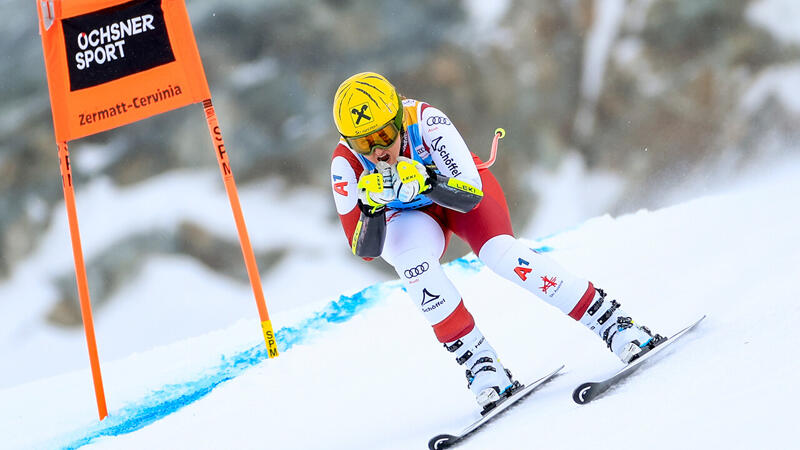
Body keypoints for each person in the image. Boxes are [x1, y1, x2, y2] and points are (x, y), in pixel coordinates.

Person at [329, 72, 662, 410]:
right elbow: (365, 250)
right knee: (412, 265)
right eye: (363, 143)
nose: (378, 152)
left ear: (399, 119)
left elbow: (470, 197)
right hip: (413, 219)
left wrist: (427, 181)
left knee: (501, 254)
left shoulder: (425, 121)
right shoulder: (345, 164)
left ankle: (615, 323)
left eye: (384, 135)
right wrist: (370, 208)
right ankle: (482, 367)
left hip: (456, 193)